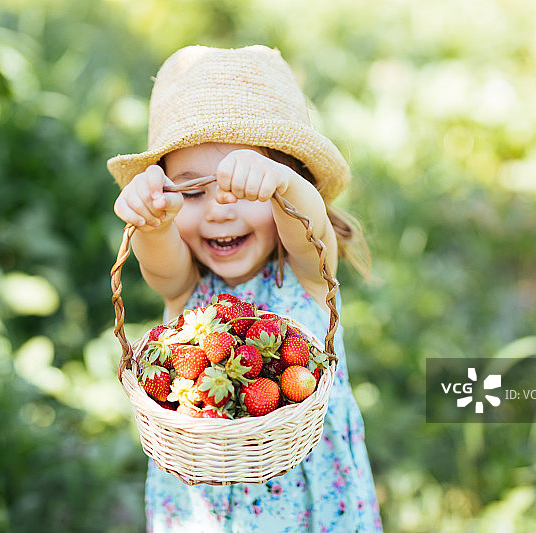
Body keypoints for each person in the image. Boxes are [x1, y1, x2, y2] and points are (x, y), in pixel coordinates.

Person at [109, 45, 383, 532]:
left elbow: (310, 229)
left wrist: (282, 185)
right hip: (204, 506)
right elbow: (160, 266)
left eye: (246, 189)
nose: (218, 210)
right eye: (192, 192)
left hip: (310, 504)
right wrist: (151, 223)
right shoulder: (189, 295)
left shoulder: (306, 274)